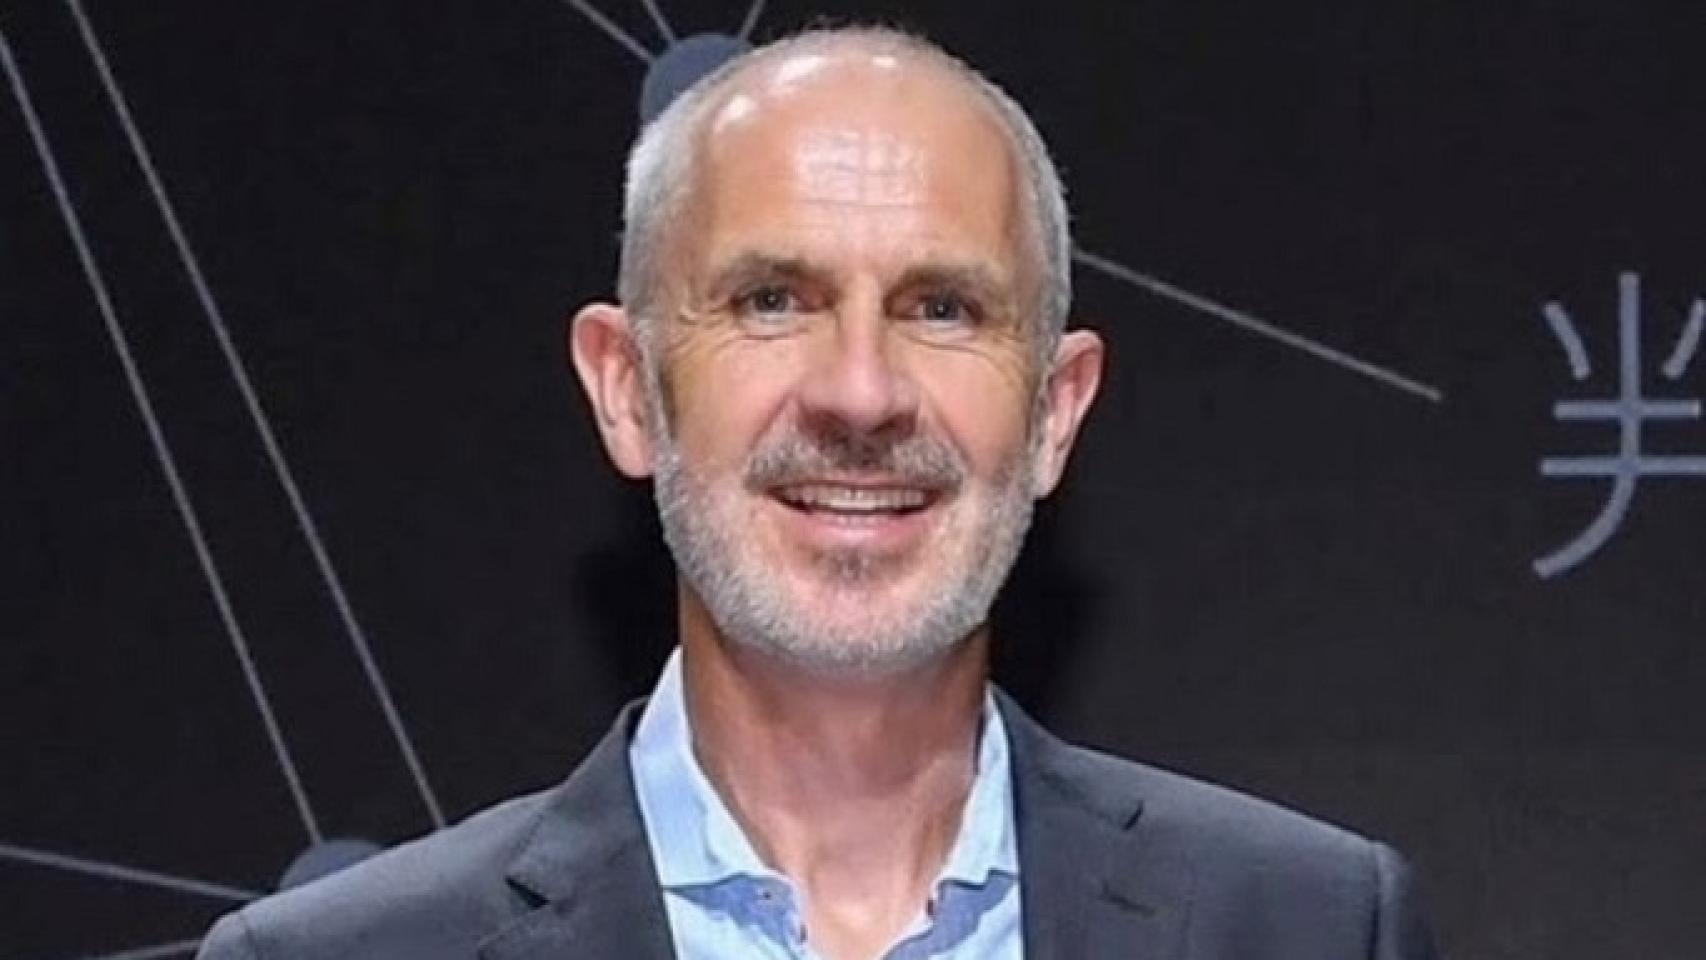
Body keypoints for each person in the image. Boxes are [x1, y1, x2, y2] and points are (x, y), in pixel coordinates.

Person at [197, 25, 1438, 960]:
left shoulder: (1311, 927)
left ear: (1054, 411)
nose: (859, 393)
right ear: (626, 388)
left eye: (940, 308)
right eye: (771, 301)